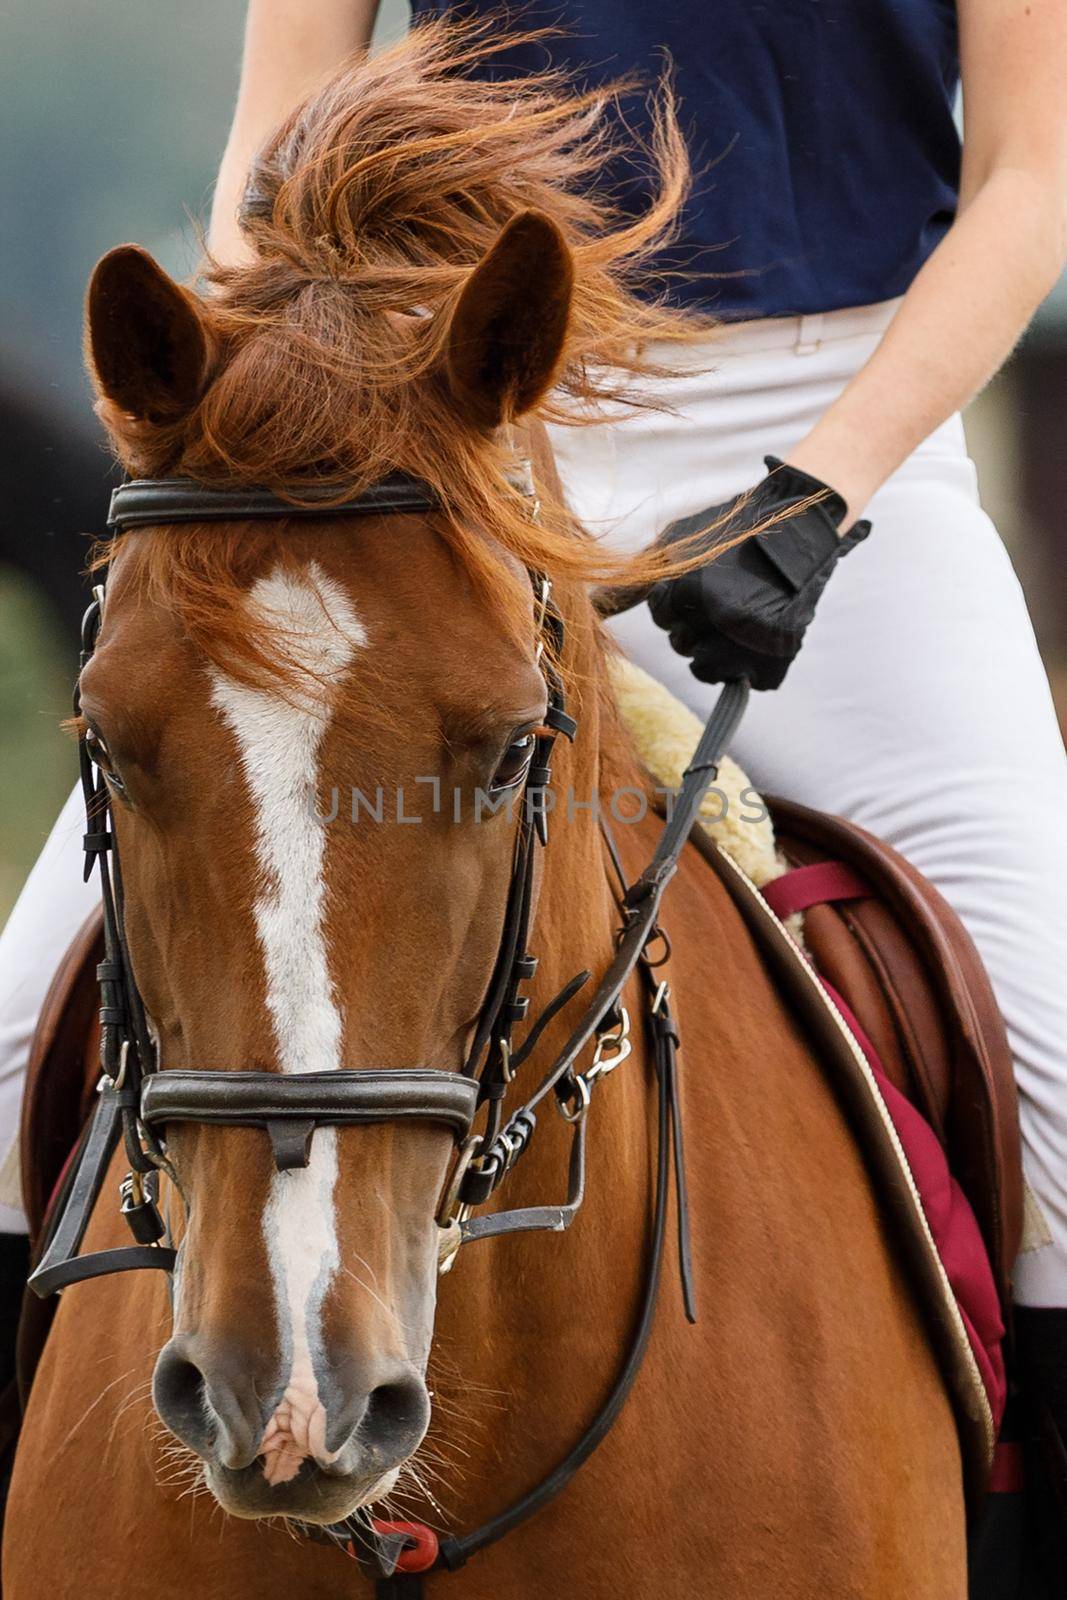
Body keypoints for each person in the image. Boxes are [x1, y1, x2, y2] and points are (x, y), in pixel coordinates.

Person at [3, 0, 1067, 1506]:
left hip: (848, 428)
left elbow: (1033, 179)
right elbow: (279, 136)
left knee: (1062, 1068)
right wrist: (258, 428)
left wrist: (823, 491)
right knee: (5, 1049)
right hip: (454, 421)